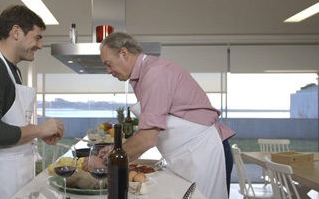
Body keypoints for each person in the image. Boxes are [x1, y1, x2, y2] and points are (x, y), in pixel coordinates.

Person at [100, 32, 235, 199]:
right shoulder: (144, 75)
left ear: (124, 53)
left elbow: (148, 138)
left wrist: (111, 158)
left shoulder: (155, 73)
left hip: (204, 152)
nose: (108, 71)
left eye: (108, 64)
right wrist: (117, 151)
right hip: (188, 155)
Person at [0, 5, 64, 199]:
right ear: (16, 32)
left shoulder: (12, 70)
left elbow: (10, 125)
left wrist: (35, 134)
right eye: (37, 37)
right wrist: (40, 129)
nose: (40, 45)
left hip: (9, 175)